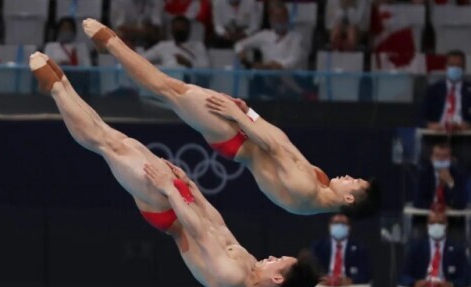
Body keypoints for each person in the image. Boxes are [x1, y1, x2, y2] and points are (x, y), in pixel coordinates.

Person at [29, 51, 320, 287]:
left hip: (167, 210)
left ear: (279, 279)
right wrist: (192, 188)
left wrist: (169, 188)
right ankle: (62, 84)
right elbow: (218, 226)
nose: (272, 257)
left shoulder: (234, 281)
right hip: (180, 200)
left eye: (278, 262)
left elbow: (198, 232)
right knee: (120, 140)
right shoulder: (251, 266)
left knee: (108, 145)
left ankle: (56, 89)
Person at [81, 18, 381, 219]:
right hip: (243, 126)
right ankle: (113, 46)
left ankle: (111, 44)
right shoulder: (322, 184)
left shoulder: (306, 191)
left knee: (168, 90)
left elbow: (273, 148)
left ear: (350, 199)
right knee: (172, 90)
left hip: (235, 137)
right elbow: (281, 140)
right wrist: (249, 112)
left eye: (354, 183)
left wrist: (238, 116)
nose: (349, 177)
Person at [399, 211, 470, 287]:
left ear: (446, 225)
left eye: (440, 223)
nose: (436, 225)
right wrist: (414, 283)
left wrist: (452, 285)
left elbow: (466, 278)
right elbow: (403, 276)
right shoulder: (415, 247)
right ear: (427, 225)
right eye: (432, 223)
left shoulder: (458, 249)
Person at [304, 214, 370, 287]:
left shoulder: (360, 248)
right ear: (330, 226)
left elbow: (366, 275)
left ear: (349, 227)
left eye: (343, 223)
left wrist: (351, 281)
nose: (339, 226)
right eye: (336, 223)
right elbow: (309, 271)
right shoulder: (318, 247)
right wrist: (321, 279)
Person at [421, 50, 471, 132]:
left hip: (464, 135)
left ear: (464, 69)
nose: (455, 68)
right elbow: (420, 119)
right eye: (451, 65)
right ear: (445, 67)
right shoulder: (433, 90)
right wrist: (430, 125)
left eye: (458, 66)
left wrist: (468, 125)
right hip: (438, 133)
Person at [414, 143, 468, 210]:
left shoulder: (458, 175)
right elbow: (418, 202)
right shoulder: (424, 175)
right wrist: (438, 207)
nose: (441, 159)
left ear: (451, 159)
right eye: (437, 155)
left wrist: (450, 183)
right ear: (431, 158)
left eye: (445, 156)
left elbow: (462, 203)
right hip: (427, 218)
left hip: (452, 219)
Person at [142, 16, 209, 69]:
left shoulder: (198, 46)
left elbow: (205, 68)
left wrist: (188, 64)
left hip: (190, 83)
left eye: (182, 29)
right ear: (172, 30)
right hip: (168, 80)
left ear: (189, 30)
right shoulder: (163, 46)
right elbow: (143, 59)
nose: (179, 31)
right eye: (177, 29)